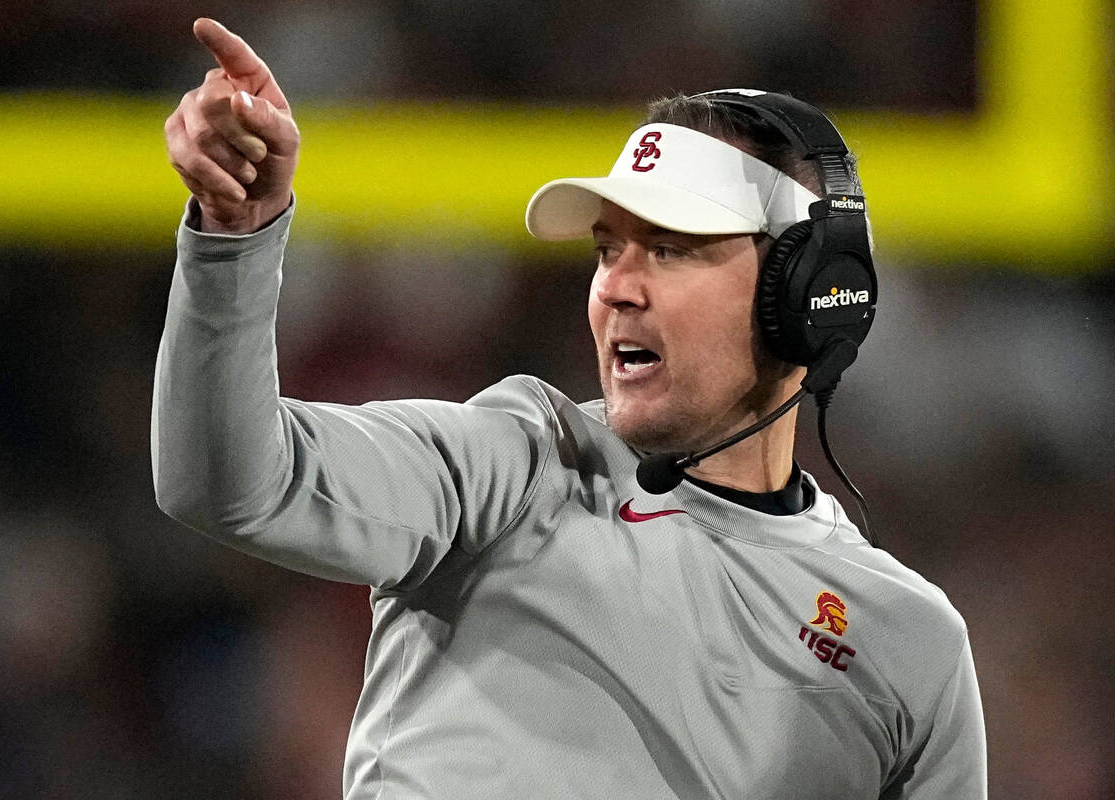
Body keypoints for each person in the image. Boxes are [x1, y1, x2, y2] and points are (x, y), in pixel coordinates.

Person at [154, 18, 986, 799]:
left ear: (804, 296)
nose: (616, 289)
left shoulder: (905, 641)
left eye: (669, 248)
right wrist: (236, 236)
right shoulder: (513, 466)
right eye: (606, 251)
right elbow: (230, 482)